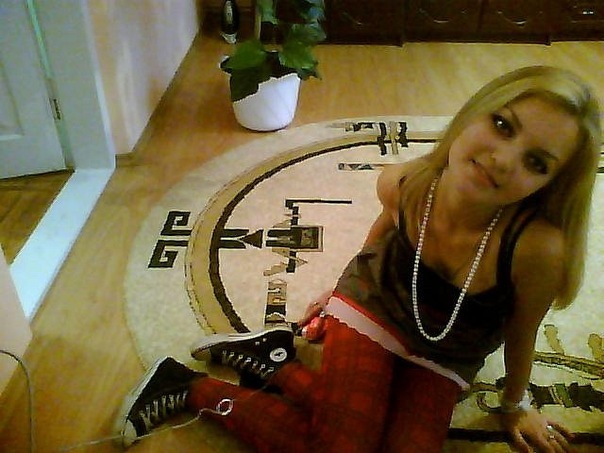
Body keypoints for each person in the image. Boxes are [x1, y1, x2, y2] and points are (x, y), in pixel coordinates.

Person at [115, 66, 601, 452]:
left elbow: (522, 328)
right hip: (375, 305)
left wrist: (515, 404)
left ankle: (274, 361)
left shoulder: (538, 249)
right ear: (474, 112)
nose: (503, 159)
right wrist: (337, 293)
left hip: (449, 350)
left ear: (551, 185)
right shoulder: (404, 183)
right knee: (343, 445)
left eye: (536, 162)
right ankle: (185, 384)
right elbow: (379, 238)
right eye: (502, 125)